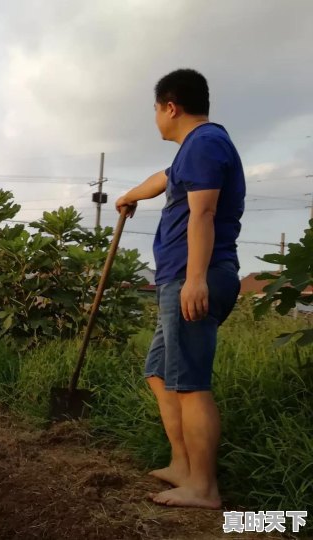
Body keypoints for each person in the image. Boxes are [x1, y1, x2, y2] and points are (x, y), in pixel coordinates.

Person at [115, 68, 244, 509]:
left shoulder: (206, 143)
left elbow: (203, 215)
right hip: (178, 279)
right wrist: (130, 195)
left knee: (190, 383)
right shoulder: (194, 150)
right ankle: (182, 465)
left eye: (155, 109)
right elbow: (163, 178)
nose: (155, 118)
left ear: (171, 107)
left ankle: (204, 487)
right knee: (159, 373)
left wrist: (194, 279)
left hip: (197, 277)